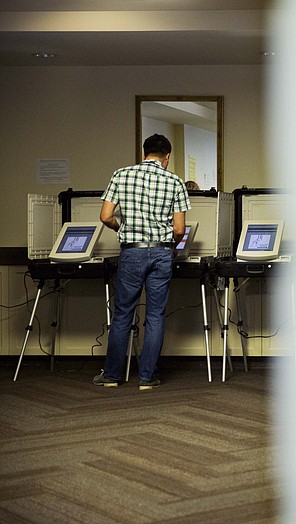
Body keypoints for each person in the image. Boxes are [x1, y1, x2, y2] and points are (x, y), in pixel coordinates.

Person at [94, 134, 191, 390]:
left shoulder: (121, 175)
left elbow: (105, 216)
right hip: (161, 252)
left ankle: (112, 376)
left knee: (123, 313)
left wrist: (123, 228)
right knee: (156, 315)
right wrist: (173, 247)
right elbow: (179, 229)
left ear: (143, 153)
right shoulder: (175, 181)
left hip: (132, 252)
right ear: (167, 157)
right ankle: (147, 378)